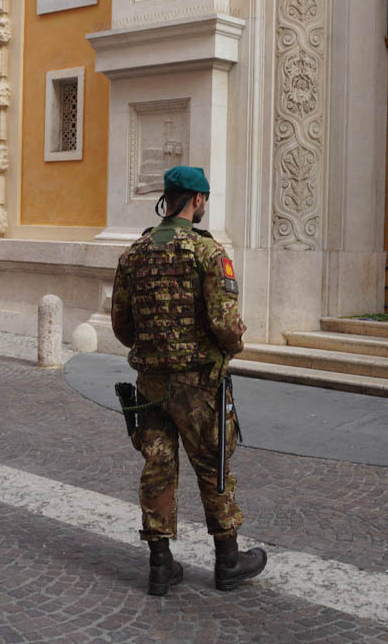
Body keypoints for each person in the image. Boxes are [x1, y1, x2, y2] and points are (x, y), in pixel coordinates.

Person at [111, 165, 267, 595]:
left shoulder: (134, 254)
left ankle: (160, 565)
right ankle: (228, 561)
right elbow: (226, 326)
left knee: (157, 468)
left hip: (150, 386)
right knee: (213, 467)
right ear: (197, 200)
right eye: (204, 201)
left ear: (168, 197)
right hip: (198, 387)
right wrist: (232, 346)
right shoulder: (207, 253)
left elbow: (122, 327)